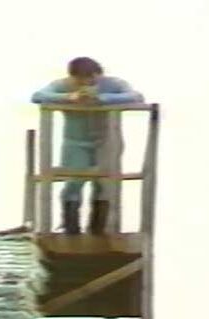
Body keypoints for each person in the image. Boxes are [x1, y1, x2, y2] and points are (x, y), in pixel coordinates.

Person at [31, 57, 144, 234]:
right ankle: (70, 228)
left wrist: (102, 98)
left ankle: (99, 229)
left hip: (106, 141)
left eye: (91, 79)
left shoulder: (113, 84)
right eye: (81, 80)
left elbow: (136, 96)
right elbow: (38, 96)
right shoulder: (63, 85)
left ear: (98, 75)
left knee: (104, 182)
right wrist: (69, 97)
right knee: (75, 181)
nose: (86, 83)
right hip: (75, 143)